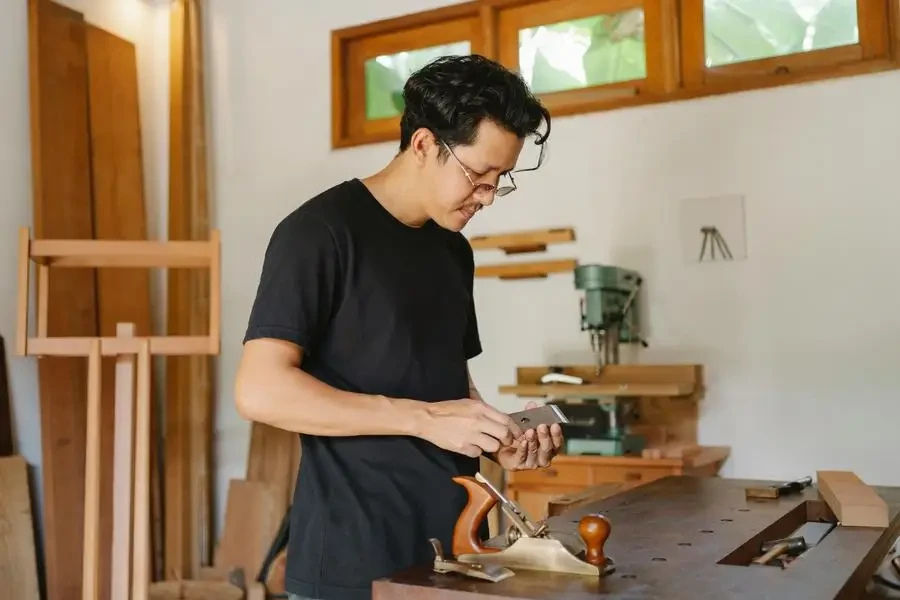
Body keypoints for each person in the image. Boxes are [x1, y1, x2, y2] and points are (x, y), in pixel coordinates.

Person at [234, 54, 563, 600]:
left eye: (499, 180)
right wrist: (425, 419)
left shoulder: (452, 250)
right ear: (424, 144)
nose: (486, 196)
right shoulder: (318, 233)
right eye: (477, 175)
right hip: (353, 562)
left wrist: (497, 436)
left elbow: (448, 382)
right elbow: (258, 390)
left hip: (455, 553)